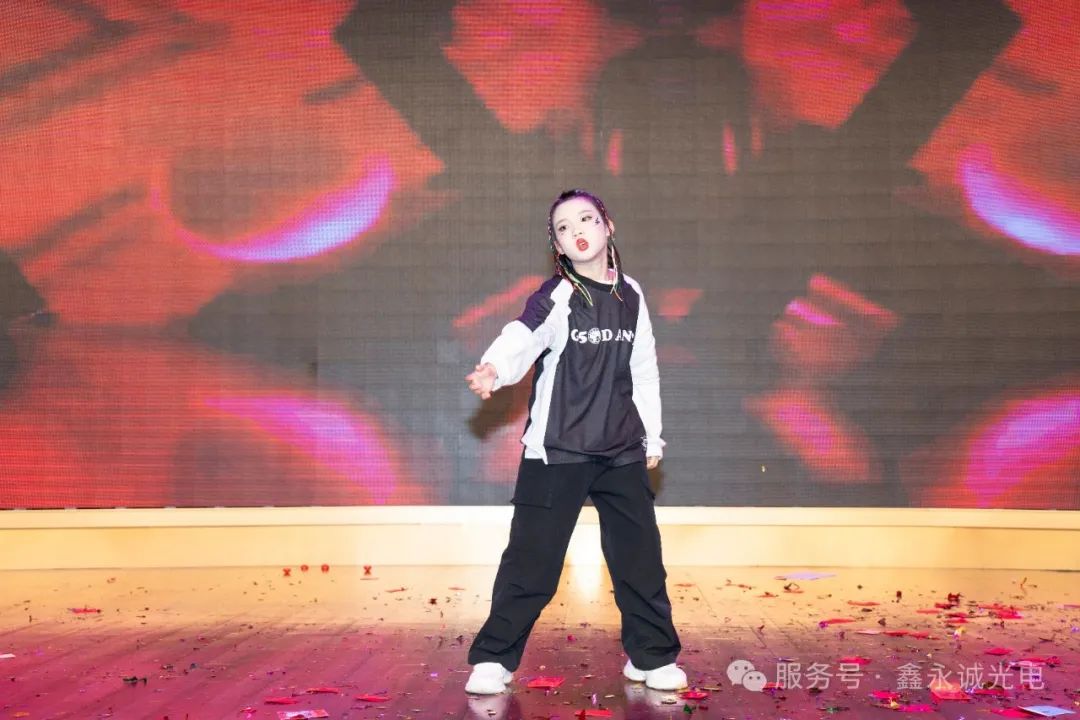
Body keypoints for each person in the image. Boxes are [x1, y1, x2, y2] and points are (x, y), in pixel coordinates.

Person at [463, 189, 685, 695]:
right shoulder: (558, 295)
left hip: (621, 449)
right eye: (563, 228)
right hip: (557, 451)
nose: (576, 231)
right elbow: (523, 334)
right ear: (558, 246)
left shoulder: (631, 294)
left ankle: (651, 656)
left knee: (639, 560)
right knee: (532, 561)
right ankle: (494, 658)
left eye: (586, 219)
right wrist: (495, 368)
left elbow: (643, 370)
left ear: (608, 226)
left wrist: (651, 436)